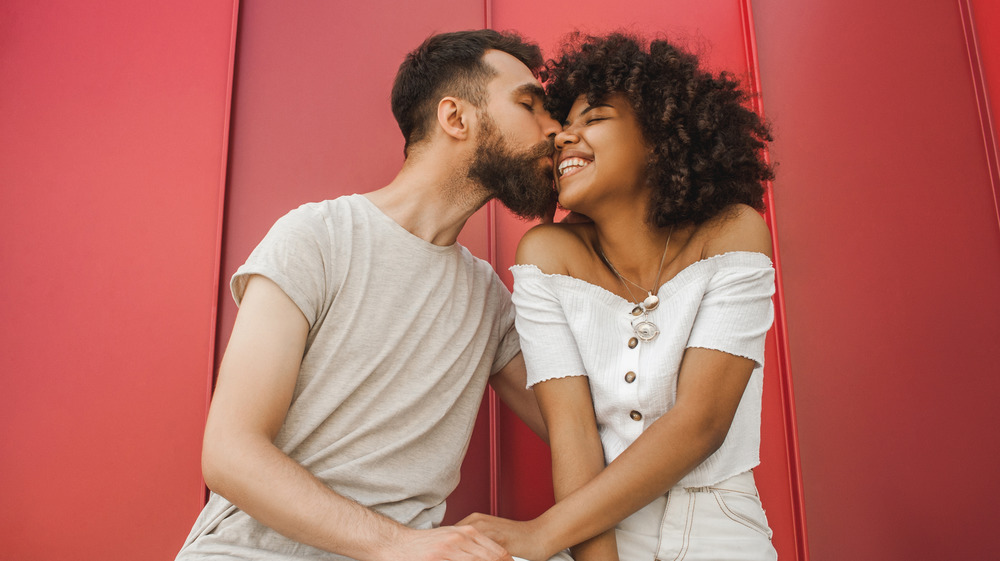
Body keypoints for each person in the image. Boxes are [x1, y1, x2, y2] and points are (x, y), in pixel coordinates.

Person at [175, 30, 563, 561]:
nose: (556, 128)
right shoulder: (317, 236)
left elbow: (582, 433)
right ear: (456, 118)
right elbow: (229, 454)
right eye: (529, 105)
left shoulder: (488, 300)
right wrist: (399, 544)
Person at [459, 33, 779, 561]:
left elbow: (702, 422)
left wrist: (542, 534)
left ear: (659, 138)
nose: (564, 138)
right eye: (565, 127)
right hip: (592, 526)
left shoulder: (731, 233)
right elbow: (574, 437)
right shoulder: (546, 254)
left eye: (596, 119)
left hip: (721, 521)